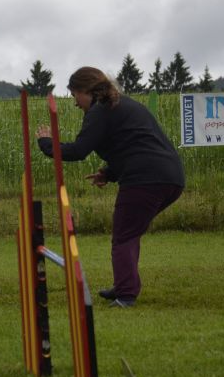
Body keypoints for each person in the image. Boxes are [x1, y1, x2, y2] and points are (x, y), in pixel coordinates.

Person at [36, 66, 184, 308]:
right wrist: (109, 173)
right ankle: (124, 285)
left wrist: (46, 144)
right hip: (170, 177)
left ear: (87, 90)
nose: (75, 103)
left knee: (124, 235)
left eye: (75, 95)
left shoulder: (100, 110)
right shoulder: (122, 105)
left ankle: (126, 295)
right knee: (130, 232)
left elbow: (78, 150)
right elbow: (134, 143)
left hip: (145, 180)